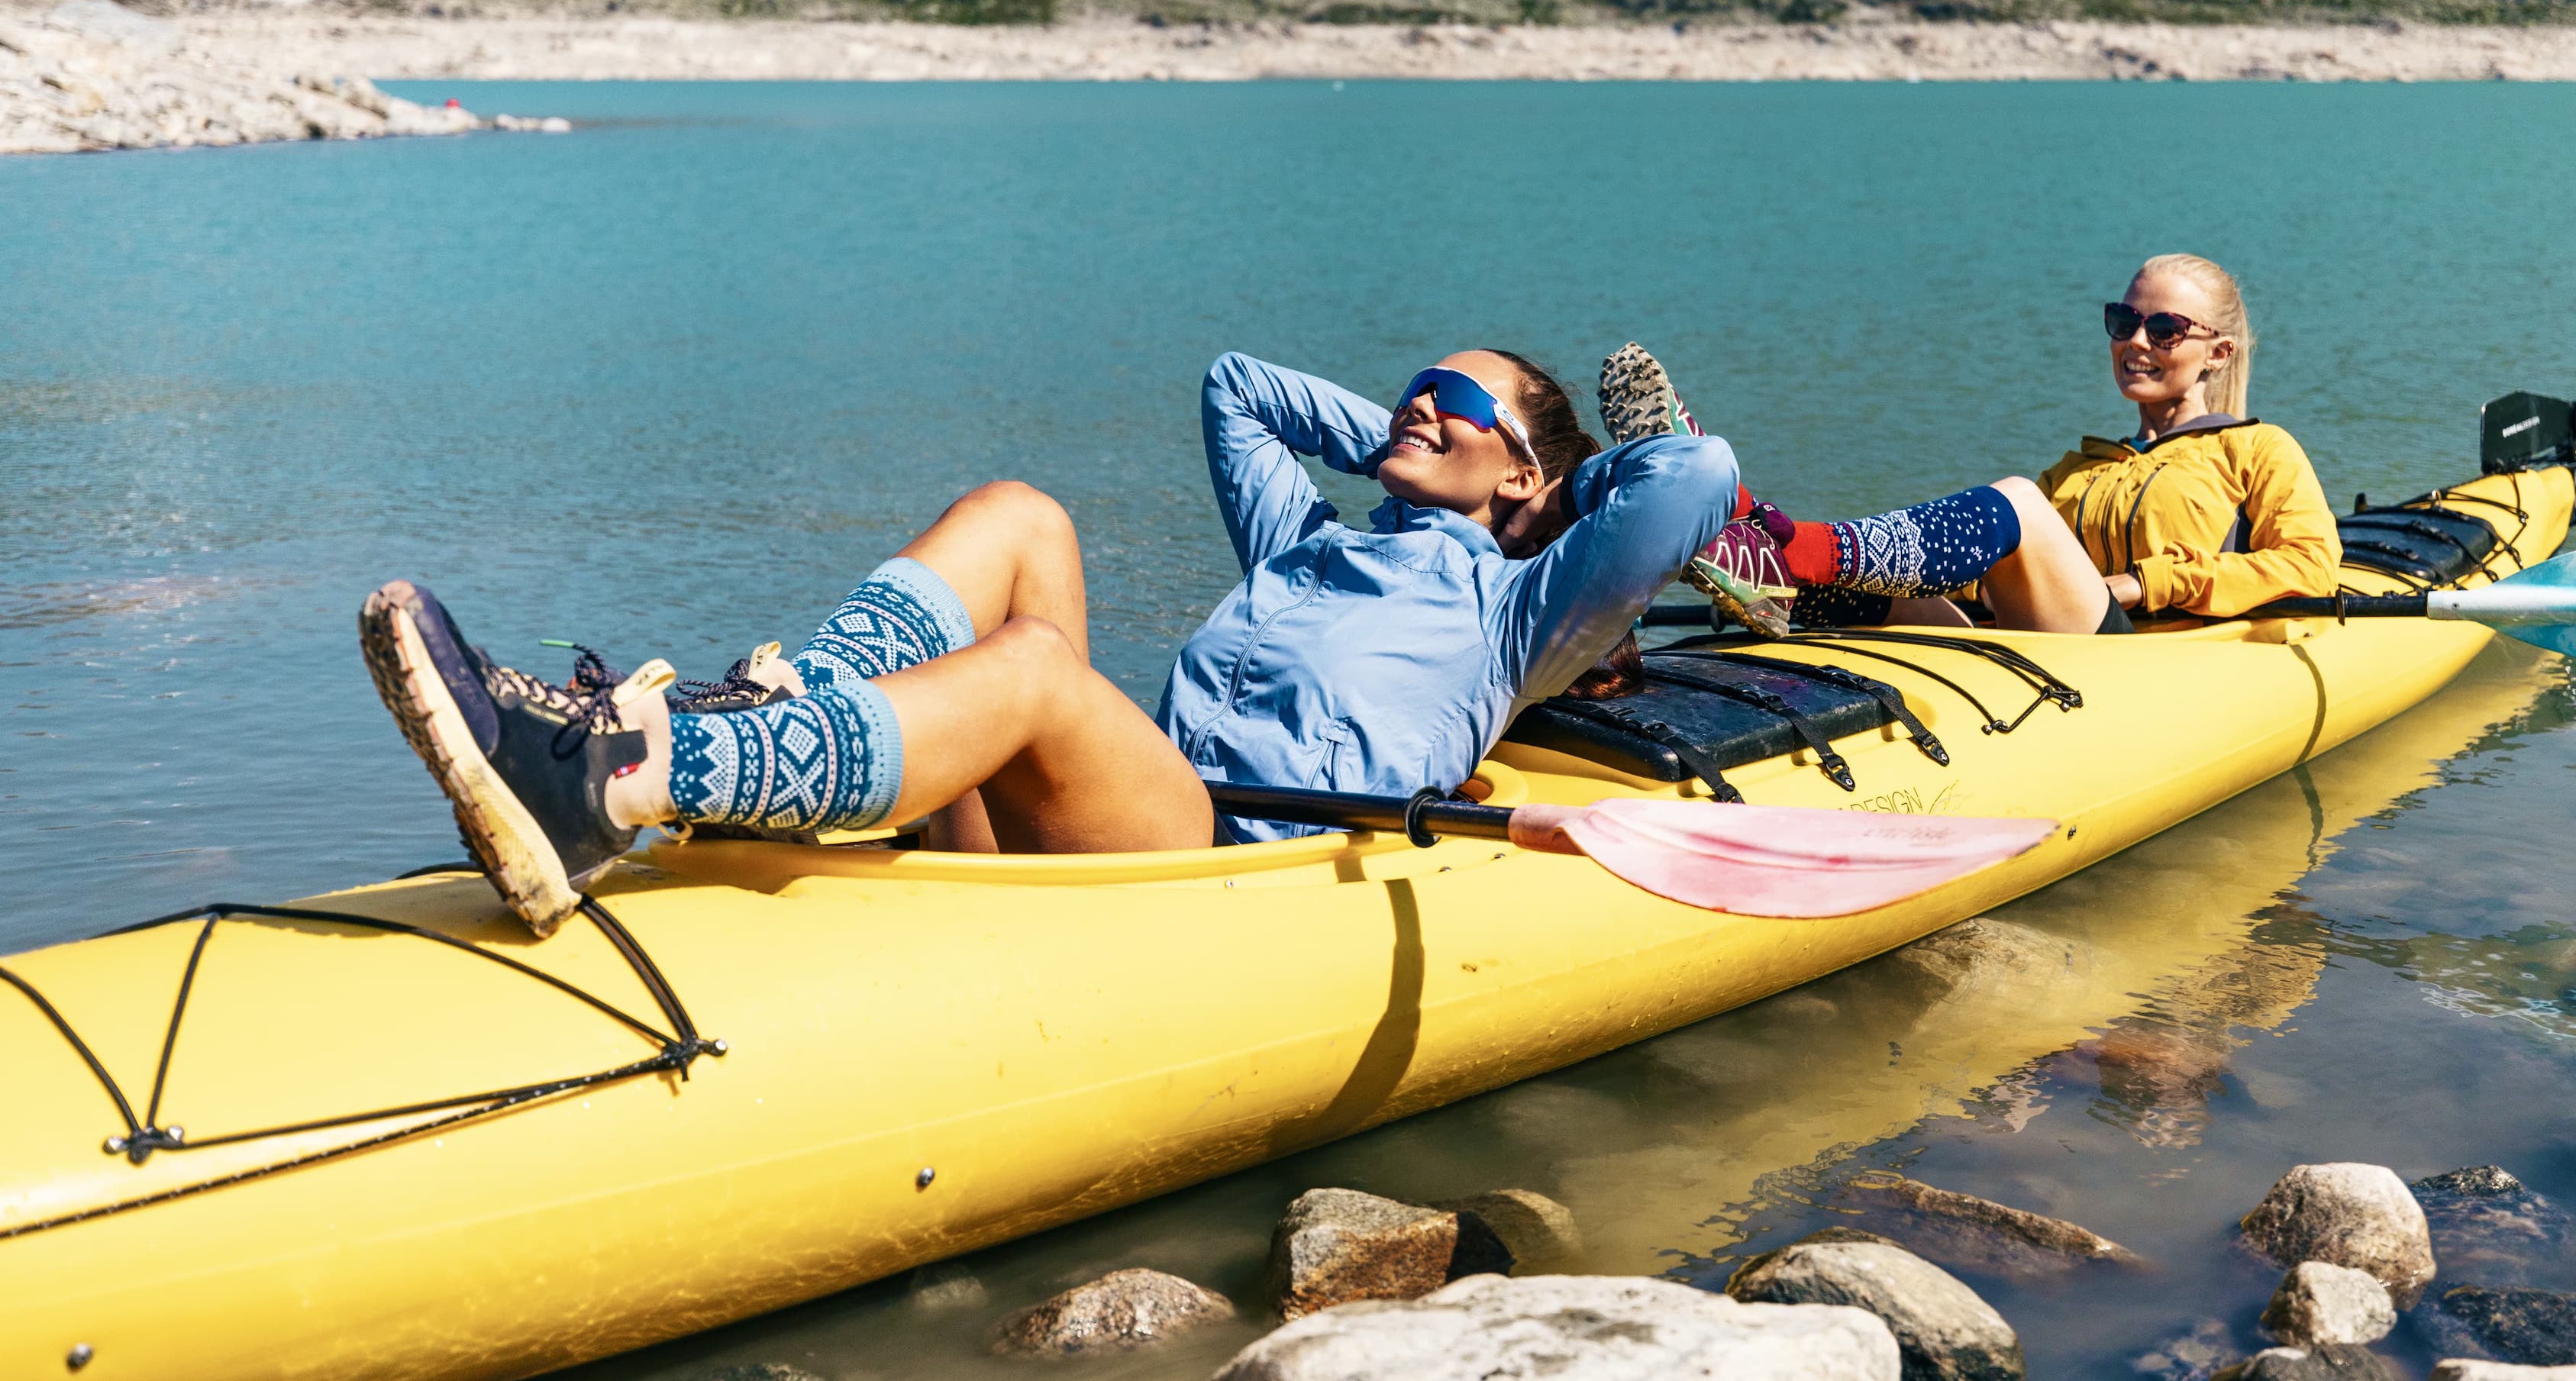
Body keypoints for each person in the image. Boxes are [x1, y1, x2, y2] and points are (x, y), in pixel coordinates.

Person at [360, 350, 1738, 934]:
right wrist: (1405, 433)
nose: (1416, 407)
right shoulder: (1312, 547)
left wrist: (1552, 488)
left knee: (1032, 668)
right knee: (1022, 517)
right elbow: (1240, 390)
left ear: (1522, 475)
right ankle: (742, 724)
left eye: (1451, 399)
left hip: (1229, 875)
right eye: (1410, 391)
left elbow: (1694, 478)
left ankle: (626, 776)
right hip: (1111, 831)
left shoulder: (1516, 614)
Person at [1651, 253, 2339, 634]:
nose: (2134, 341)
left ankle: (1789, 540)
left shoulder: (2258, 449)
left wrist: (2146, 581)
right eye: (2123, 320)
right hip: (2048, 640)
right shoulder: (2083, 468)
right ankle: (1752, 546)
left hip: (2145, 657)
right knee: (1889, 589)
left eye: (2163, 328)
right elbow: (1997, 573)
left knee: (2017, 499)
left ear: (2217, 353)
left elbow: (2311, 566)